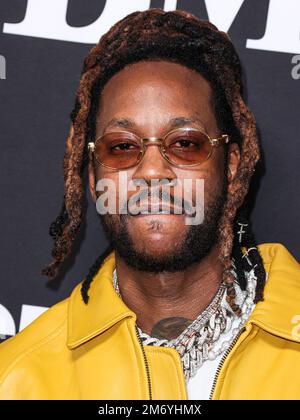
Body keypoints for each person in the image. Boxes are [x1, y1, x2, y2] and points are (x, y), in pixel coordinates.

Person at [0, 8, 299, 400]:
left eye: (186, 144)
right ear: (92, 179)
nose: (153, 171)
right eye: (122, 147)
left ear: (232, 168)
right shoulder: (17, 377)